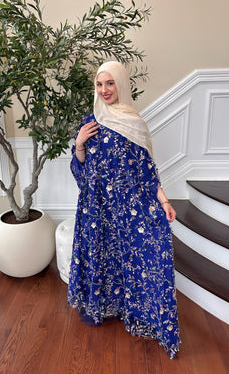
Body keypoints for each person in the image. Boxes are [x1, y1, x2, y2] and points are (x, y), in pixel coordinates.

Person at [68, 61, 180, 359]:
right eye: (99, 84)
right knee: (103, 257)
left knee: (138, 255)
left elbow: (147, 171)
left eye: (110, 83)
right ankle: (104, 307)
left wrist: (165, 201)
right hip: (96, 209)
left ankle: (140, 312)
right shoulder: (89, 122)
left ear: (121, 84)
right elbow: (80, 175)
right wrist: (79, 145)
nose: (104, 90)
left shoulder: (134, 122)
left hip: (129, 207)